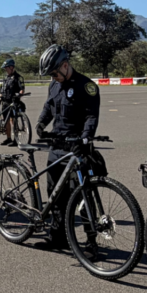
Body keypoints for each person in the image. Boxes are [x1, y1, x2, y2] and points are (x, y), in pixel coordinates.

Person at [34, 45, 101, 248]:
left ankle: (91, 242)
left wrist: (85, 138)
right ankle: (58, 237)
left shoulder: (86, 86)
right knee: (55, 195)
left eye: (55, 73)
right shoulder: (54, 85)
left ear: (65, 65)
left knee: (83, 197)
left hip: (77, 147)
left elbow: (91, 116)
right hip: (57, 147)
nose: (53, 77)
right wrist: (40, 123)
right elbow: (49, 106)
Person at [0, 58, 25, 146]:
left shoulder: (18, 77)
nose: (5, 70)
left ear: (11, 67)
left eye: (6, 68)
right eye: (5, 68)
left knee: (14, 121)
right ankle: (8, 138)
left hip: (14, 101)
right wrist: (1, 95)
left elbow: (22, 89)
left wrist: (20, 94)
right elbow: (2, 88)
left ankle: (15, 140)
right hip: (5, 101)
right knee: (6, 121)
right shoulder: (5, 78)